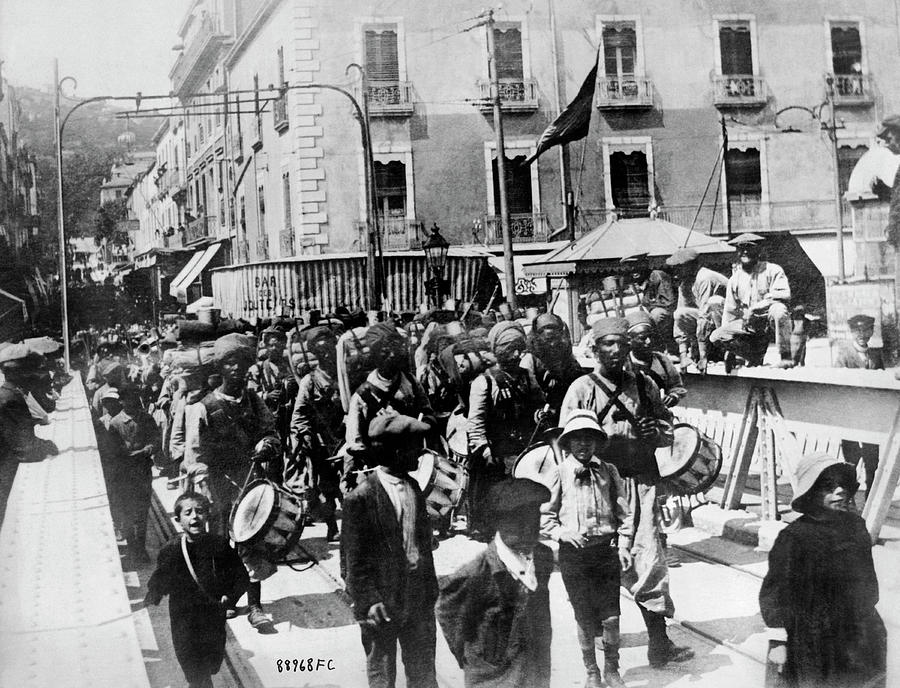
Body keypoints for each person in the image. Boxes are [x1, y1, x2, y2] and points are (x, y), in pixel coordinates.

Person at [560, 317, 694, 668]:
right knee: (596, 562)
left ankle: (659, 643)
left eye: (621, 343)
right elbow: (567, 443)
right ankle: (598, 647)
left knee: (648, 559)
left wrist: (655, 433)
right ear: (595, 348)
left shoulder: (645, 384)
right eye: (608, 344)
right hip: (599, 485)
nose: (616, 351)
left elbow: (668, 430)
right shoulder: (581, 389)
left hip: (641, 481)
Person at [759, 453, 886, 688]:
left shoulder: (855, 527)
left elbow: (867, 580)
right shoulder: (794, 538)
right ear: (811, 493)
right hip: (812, 635)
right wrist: (779, 641)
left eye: (843, 485)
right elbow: (776, 591)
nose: (839, 491)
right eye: (827, 486)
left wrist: (868, 620)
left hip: (858, 629)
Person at [184, 332, 281, 630]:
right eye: (230, 364)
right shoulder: (203, 407)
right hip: (217, 485)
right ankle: (225, 597)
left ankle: (255, 605)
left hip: (251, 481)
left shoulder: (254, 401)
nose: (237, 369)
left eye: (241, 363)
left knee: (253, 540)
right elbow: (194, 454)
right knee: (221, 544)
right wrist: (203, 485)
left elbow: (271, 432)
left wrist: (267, 444)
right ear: (220, 368)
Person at [342, 412, 440, 688]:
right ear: (395, 452)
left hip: (417, 594)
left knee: (423, 671)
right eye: (414, 448)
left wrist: (430, 589)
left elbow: (422, 543)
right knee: (382, 673)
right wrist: (369, 601)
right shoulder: (360, 498)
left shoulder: (414, 487)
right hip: (382, 600)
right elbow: (353, 560)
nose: (420, 455)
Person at [541, 411, 634, 688]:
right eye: (577, 440)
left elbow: (625, 514)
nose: (584, 445)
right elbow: (545, 516)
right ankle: (591, 671)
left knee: (612, 616)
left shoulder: (609, 471)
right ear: (567, 443)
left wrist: (626, 545)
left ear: (597, 442)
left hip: (604, 552)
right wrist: (562, 532)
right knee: (583, 615)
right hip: (574, 556)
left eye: (590, 439)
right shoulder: (559, 473)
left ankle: (612, 669)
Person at [437, 478, 554, 688]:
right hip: (493, 678)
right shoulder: (478, 571)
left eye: (534, 518)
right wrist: (476, 659)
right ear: (499, 523)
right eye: (519, 522)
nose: (529, 528)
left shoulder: (543, 557)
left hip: (535, 669)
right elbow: (448, 610)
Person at [145, 492, 250, 688]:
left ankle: (201, 680)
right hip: (184, 616)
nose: (194, 516)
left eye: (200, 511)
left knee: (212, 659)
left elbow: (240, 576)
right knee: (189, 659)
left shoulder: (219, 545)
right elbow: (160, 578)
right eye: (188, 512)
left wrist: (231, 596)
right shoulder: (171, 550)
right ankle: (198, 683)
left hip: (212, 614)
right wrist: (153, 595)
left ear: (207, 516)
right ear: (178, 520)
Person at [466, 321, 546, 540]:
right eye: (511, 349)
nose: (518, 354)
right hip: (496, 452)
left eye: (520, 348)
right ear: (499, 351)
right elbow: (475, 422)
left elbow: (539, 403)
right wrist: (484, 450)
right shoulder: (484, 382)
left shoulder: (526, 376)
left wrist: (540, 414)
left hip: (522, 448)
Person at [344, 323, 436, 491]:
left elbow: (428, 413)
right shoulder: (362, 395)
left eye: (395, 350)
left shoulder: (410, 382)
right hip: (379, 472)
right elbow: (354, 441)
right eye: (385, 352)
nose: (392, 355)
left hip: (412, 464)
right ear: (375, 356)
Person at [290, 325, 344, 541]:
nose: (326, 354)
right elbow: (299, 416)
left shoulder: (345, 375)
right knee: (328, 487)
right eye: (321, 351)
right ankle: (332, 526)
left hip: (346, 435)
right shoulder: (310, 381)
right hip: (323, 442)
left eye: (329, 349)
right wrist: (307, 438)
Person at [710, 233, 792, 369]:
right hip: (749, 326)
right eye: (741, 248)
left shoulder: (773, 270)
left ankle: (785, 357)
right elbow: (729, 312)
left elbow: (783, 295)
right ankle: (752, 355)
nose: (745, 251)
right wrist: (729, 349)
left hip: (768, 321)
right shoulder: (734, 279)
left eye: (750, 247)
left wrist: (755, 309)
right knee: (716, 336)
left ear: (759, 250)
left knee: (778, 310)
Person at [106, 385, 160, 563]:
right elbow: (111, 451)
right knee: (127, 512)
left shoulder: (146, 419)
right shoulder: (115, 423)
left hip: (143, 471)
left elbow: (156, 440)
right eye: (126, 399)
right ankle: (132, 548)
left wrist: (148, 449)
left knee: (142, 512)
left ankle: (141, 548)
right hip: (125, 474)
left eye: (133, 398)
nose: (130, 402)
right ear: (121, 401)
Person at [666, 247, 729, 374]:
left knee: (713, 303)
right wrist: (683, 353)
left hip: (728, 318)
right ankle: (688, 355)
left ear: (691, 265)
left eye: (680, 267)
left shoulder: (704, 278)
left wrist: (703, 356)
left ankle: (724, 351)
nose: (676, 271)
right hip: (709, 321)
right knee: (679, 314)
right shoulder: (684, 283)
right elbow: (679, 316)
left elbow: (704, 315)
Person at [0, 344, 57, 464]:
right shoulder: (11, 399)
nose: (34, 376)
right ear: (18, 374)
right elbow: (24, 448)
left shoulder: (10, 393)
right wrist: (46, 445)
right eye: (29, 372)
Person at [626, 310, 686, 407]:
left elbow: (677, 387)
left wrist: (673, 396)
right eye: (643, 338)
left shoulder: (661, 360)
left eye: (650, 336)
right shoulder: (623, 363)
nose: (648, 341)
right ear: (630, 340)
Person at [621, 253, 677, 353]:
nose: (633, 270)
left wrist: (648, 312)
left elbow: (669, 302)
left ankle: (660, 349)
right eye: (630, 267)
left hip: (668, 314)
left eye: (637, 265)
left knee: (656, 315)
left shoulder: (657, 275)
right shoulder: (640, 281)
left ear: (645, 264)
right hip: (653, 313)